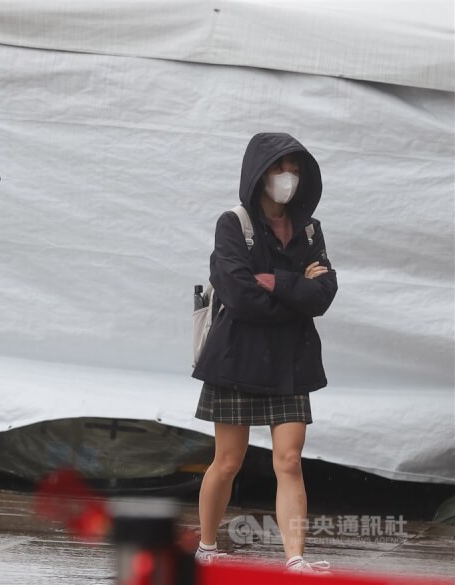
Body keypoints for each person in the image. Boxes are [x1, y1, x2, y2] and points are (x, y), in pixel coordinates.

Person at [191, 133, 337, 574]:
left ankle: (295, 557)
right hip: (237, 357)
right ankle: (207, 544)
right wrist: (297, 286)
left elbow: (324, 294)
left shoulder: (311, 229)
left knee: (289, 461)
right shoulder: (233, 223)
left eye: (293, 168)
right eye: (278, 168)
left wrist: (274, 281)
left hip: (291, 360)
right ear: (259, 174)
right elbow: (238, 293)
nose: (287, 178)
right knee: (228, 461)